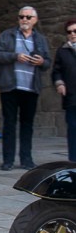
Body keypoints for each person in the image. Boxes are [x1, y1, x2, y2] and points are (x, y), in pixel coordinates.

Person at [0, 6, 52, 170]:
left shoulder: (40, 39)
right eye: (21, 16)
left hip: (31, 88)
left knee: (27, 125)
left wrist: (41, 62)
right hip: (10, 87)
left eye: (28, 17)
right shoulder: (7, 35)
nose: (24, 20)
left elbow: (48, 62)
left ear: (35, 20)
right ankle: (8, 161)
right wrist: (15, 56)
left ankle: (26, 159)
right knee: (9, 124)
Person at [52, 19, 76, 162]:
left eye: (75, 31)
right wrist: (59, 84)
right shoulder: (62, 51)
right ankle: (73, 161)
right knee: (73, 129)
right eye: (69, 32)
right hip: (71, 97)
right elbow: (56, 71)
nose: (72, 34)